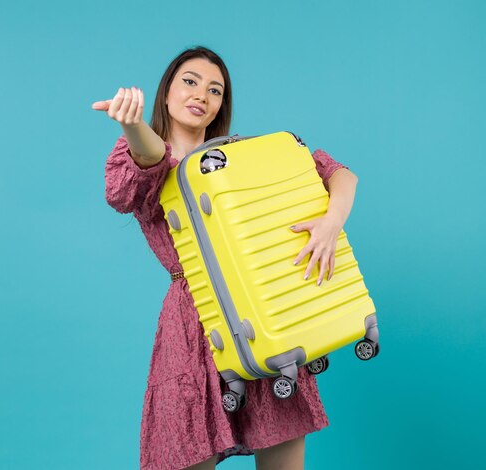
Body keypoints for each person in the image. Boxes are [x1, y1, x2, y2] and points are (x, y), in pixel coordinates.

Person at [92, 46, 358, 470]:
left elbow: (338, 173)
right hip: (192, 323)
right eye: (190, 82)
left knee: (284, 453)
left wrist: (330, 223)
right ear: (166, 92)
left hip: (260, 312)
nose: (202, 95)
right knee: (187, 451)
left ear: (221, 105)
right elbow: (153, 159)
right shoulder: (142, 151)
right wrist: (132, 124)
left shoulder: (240, 156)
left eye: (215, 90)